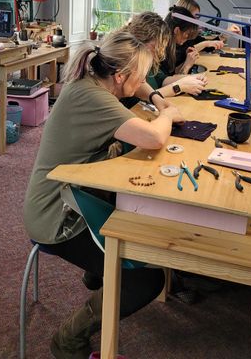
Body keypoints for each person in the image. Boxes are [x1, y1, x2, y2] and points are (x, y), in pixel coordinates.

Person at [23, 31, 183, 359]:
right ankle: (69, 339)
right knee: (145, 280)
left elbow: (138, 87)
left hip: (76, 197)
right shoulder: (94, 99)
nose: (144, 81)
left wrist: (155, 98)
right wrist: (166, 114)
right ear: (120, 75)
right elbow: (153, 138)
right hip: (58, 218)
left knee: (138, 218)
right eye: (140, 74)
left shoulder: (96, 82)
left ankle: (96, 272)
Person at [122, 11, 208, 102]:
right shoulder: (129, 63)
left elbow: (163, 79)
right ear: (139, 41)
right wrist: (179, 87)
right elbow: (146, 97)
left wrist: (191, 78)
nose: (158, 53)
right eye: (154, 47)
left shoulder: (148, 60)